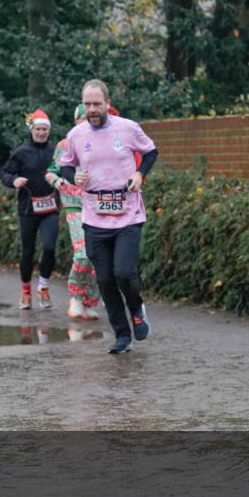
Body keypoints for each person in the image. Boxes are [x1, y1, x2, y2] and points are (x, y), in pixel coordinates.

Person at [56, 79, 158, 354]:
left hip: (128, 214)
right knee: (104, 280)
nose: (92, 109)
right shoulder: (76, 135)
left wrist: (139, 174)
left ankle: (136, 309)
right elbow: (64, 166)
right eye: (87, 104)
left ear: (107, 104)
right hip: (93, 216)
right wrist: (73, 176)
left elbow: (151, 152)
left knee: (123, 272)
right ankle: (122, 335)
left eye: (96, 104)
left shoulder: (127, 128)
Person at [45, 105, 101, 320]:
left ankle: (90, 301)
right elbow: (50, 172)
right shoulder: (65, 144)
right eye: (82, 118)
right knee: (83, 253)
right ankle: (76, 297)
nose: (87, 121)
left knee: (98, 256)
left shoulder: (101, 141)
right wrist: (59, 181)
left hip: (97, 204)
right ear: (76, 120)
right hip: (73, 203)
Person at [1, 108, 60, 310]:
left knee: (50, 248)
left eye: (45, 129)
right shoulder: (21, 152)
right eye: (38, 129)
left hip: (50, 207)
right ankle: (26, 291)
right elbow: (6, 173)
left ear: (48, 131)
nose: (42, 133)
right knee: (28, 251)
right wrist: (14, 180)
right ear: (32, 130)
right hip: (28, 209)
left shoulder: (56, 151)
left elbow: (67, 169)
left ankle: (43, 287)